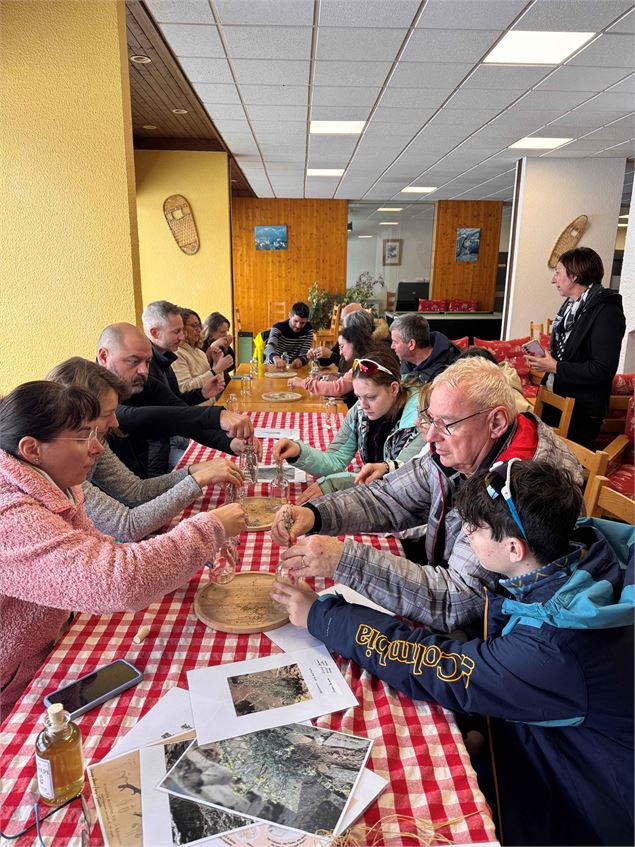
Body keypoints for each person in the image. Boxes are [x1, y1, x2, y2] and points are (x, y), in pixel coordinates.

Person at [271, 460, 634, 846]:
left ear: (514, 548)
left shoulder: (554, 650)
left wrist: (321, 616)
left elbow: (436, 667)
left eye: (474, 529)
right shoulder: (578, 552)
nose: (467, 534)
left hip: (584, 808)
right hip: (550, 741)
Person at [270, 358, 582, 634]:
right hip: (461, 602)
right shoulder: (463, 449)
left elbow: (457, 601)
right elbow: (388, 497)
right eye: (430, 420)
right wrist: (316, 514)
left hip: (498, 635)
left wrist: (341, 560)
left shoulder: (520, 488)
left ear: (496, 422)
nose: (430, 437)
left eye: (446, 424)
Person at [0, 381, 247, 719]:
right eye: (81, 437)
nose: (97, 448)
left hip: (43, 653)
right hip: (11, 691)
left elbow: (97, 548)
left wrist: (183, 551)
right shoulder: (10, 515)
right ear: (31, 449)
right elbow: (118, 582)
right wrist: (208, 529)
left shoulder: (55, 484)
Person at [47, 357, 244, 542]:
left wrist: (193, 471)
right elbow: (128, 526)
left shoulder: (93, 439)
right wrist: (197, 480)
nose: (115, 422)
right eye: (108, 414)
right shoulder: (62, 462)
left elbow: (135, 491)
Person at [96, 323, 254, 478]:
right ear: (104, 356)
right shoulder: (89, 390)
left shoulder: (143, 381)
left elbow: (182, 414)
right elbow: (132, 417)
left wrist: (229, 442)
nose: (144, 370)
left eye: (147, 362)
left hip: (140, 482)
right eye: (134, 361)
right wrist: (217, 416)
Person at [273, 350, 421, 501]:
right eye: (358, 396)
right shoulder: (359, 412)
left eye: (370, 397)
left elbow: (400, 479)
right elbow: (335, 460)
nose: (363, 405)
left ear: (394, 389)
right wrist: (299, 452)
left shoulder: (421, 423)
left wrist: (337, 484)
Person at [525, 247, 626, 448]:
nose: (553, 280)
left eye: (558, 272)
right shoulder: (571, 306)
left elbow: (602, 369)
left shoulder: (607, 312)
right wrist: (548, 359)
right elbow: (572, 354)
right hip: (557, 399)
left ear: (575, 276)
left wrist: (555, 367)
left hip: (582, 411)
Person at [142, 300, 222, 405]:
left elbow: (175, 400)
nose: (182, 337)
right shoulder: (145, 366)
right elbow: (166, 412)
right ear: (155, 333)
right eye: (176, 332)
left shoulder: (165, 356)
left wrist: (202, 393)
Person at [288, 323, 374, 409]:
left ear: (354, 343)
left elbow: (337, 388)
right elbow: (349, 378)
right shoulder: (365, 359)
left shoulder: (364, 365)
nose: (340, 352)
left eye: (342, 347)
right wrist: (336, 375)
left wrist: (303, 383)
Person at [172, 308, 232, 394]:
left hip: (211, 402)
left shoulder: (199, 353)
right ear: (181, 328)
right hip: (198, 407)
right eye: (194, 326)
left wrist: (217, 362)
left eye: (199, 325)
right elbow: (185, 388)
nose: (199, 330)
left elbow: (217, 384)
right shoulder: (178, 353)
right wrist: (216, 369)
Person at [390, 313, 461, 385]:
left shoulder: (447, 374)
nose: (392, 346)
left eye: (395, 342)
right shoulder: (407, 359)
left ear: (411, 344)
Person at [264, 301, 312, 369]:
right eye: (295, 321)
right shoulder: (278, 328)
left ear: (307, 320)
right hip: (272, 366)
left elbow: (305, 353)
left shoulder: (308, 329)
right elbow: (268, 348)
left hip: (293, 368)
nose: (298, 326)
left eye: (302, 323)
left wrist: (300, 360)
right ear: (290, 315)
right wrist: (276, 358)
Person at [202, 311, 235, 388]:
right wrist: (212, 347)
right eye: (222, 332)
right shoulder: (201, 344)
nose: (226, 335)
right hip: (212, 388)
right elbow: (204, 369)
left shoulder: (221, 343)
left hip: (225, 384)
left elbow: (231, 367)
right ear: (210, 332)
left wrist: (226, 348)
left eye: (227, 332)